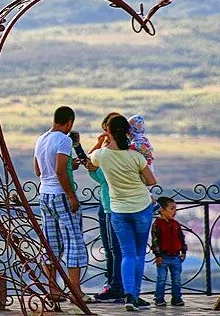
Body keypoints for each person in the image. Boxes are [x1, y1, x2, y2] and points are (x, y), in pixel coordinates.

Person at [91, 114, 157, 312]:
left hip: (118, 210)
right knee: (138, 254)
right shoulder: (135, 156)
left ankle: (128, 295)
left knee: (127, 254)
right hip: (141, 208)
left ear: (108, 131)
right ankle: (134, 296)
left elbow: (89, 159)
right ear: (128, 132)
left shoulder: (102, 155)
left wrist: (101, 141)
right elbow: (151, 181)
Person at [33, 106, 91, 303]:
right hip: (61, 195)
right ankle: (76, 291)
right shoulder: (64, 140)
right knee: (74, 241)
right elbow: (59, 170)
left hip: (44, 195)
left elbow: (38, 170)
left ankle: (54, 289)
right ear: (69, 122)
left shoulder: (41, 138)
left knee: (51, 244)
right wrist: (71, 196)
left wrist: (67, 166)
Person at [87, 113, 124, 303]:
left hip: (112, 205)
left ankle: (116, 285)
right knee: (112, 249)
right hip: (106, 203)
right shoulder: (107, 151)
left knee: (115, 250)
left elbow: (90, 165)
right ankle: (113, 283)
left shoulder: (110, 154)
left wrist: (98, 145)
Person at [151, 196, 186, 307]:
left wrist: (183, 250)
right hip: (163, 256)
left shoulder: (175, 224)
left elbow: (181, 237)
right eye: (172, 209)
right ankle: (159, 298)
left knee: (177, 279)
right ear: (162, 210)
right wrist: (157, 255)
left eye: (175, 208)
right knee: (161, 279)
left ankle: (177, 298)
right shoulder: (157, 224)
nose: (174, 211)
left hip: (175, 256)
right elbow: (155, 241)